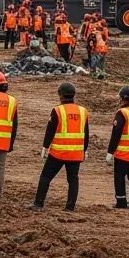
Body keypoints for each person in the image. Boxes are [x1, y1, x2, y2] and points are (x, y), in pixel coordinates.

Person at [33, 81, 89, 211]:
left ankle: (38, 203)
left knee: (46, 177)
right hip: (75, 153)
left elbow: (50, 130)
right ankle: (70, 207)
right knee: (73, 180)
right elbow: (86, 132)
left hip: (58, 153)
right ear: (73, 95)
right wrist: (84, 149)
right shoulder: (83, 111)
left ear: (60, 95)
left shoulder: (57, 110)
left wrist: (45, 147)